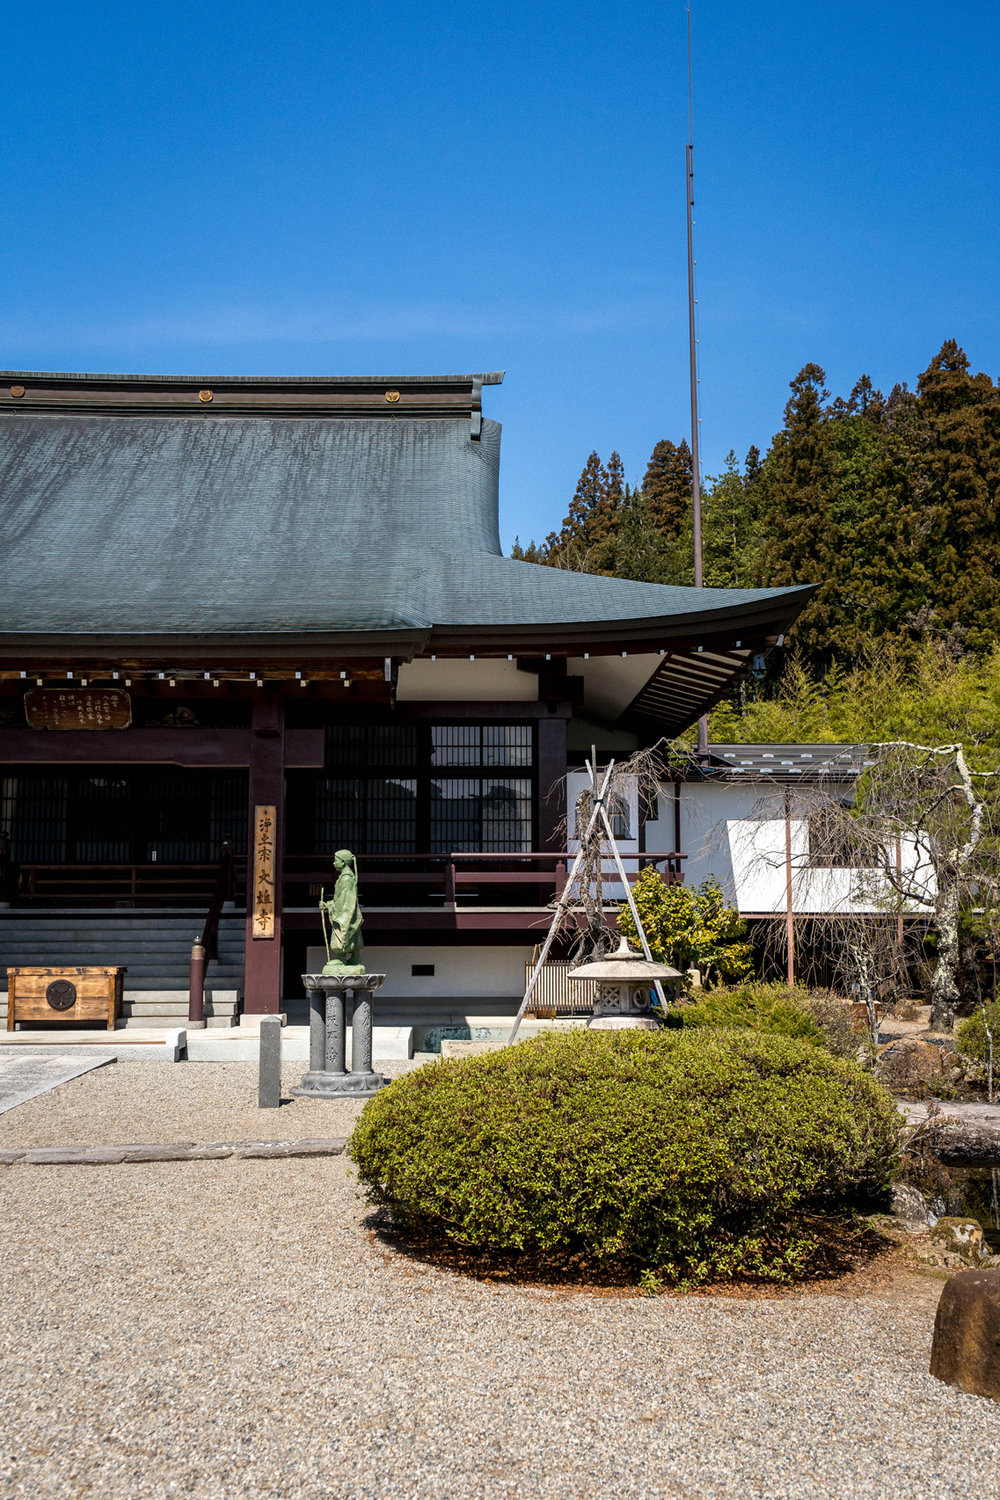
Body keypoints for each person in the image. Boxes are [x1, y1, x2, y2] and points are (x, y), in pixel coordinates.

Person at [320, 849, 365, 975]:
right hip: (345, 911)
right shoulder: (344, 878)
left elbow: (345, 902)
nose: (334, 863)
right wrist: (328, 904)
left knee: (344, 934)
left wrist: (332, 908)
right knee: (352, 935)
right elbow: (339, 899)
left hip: (345, 913)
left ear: (344, 862)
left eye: (336, 861)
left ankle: (342, 958)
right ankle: (354, 959)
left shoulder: (346, 879)